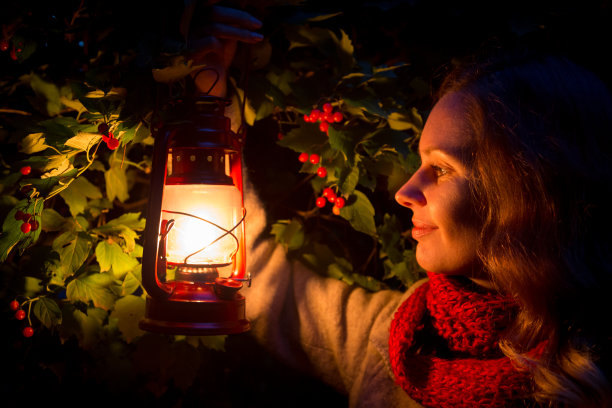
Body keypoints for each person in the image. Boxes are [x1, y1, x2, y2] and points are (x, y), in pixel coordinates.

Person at [182, 3, 612, 407]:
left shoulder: (588, 377)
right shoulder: (394, 338)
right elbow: (256, 278)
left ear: (527, 188)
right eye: (420, 163)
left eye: (441, 169)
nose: (405, 192)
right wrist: (208, 103)